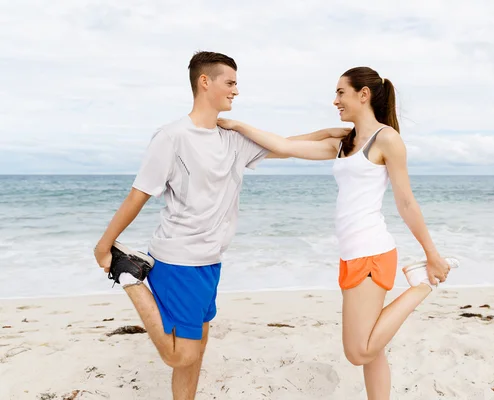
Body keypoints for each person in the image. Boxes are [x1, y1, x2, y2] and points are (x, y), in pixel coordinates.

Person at [93, 51, 349, 400]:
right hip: (178, 258)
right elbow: (139, 194)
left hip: (211, 260)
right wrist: (106, 243)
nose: (236, 91)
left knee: (194, 356)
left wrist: (336, 132)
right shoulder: (172, 137)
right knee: (180, 354)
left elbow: (286, 146)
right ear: (204, 82)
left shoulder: (231, 139)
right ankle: (129, 275)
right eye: (230, 83)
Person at [217, 66, 457, 399]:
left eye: (341, 93)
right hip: (352, 253)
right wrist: (240, 137)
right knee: (373, 346)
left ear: (364, 94)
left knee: (357, 351)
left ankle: (421, 286)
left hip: (372, 251)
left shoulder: (386, 139)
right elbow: (285, 147)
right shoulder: (344, 143)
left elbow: (406, 202)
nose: (335, 100)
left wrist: (432, 254)